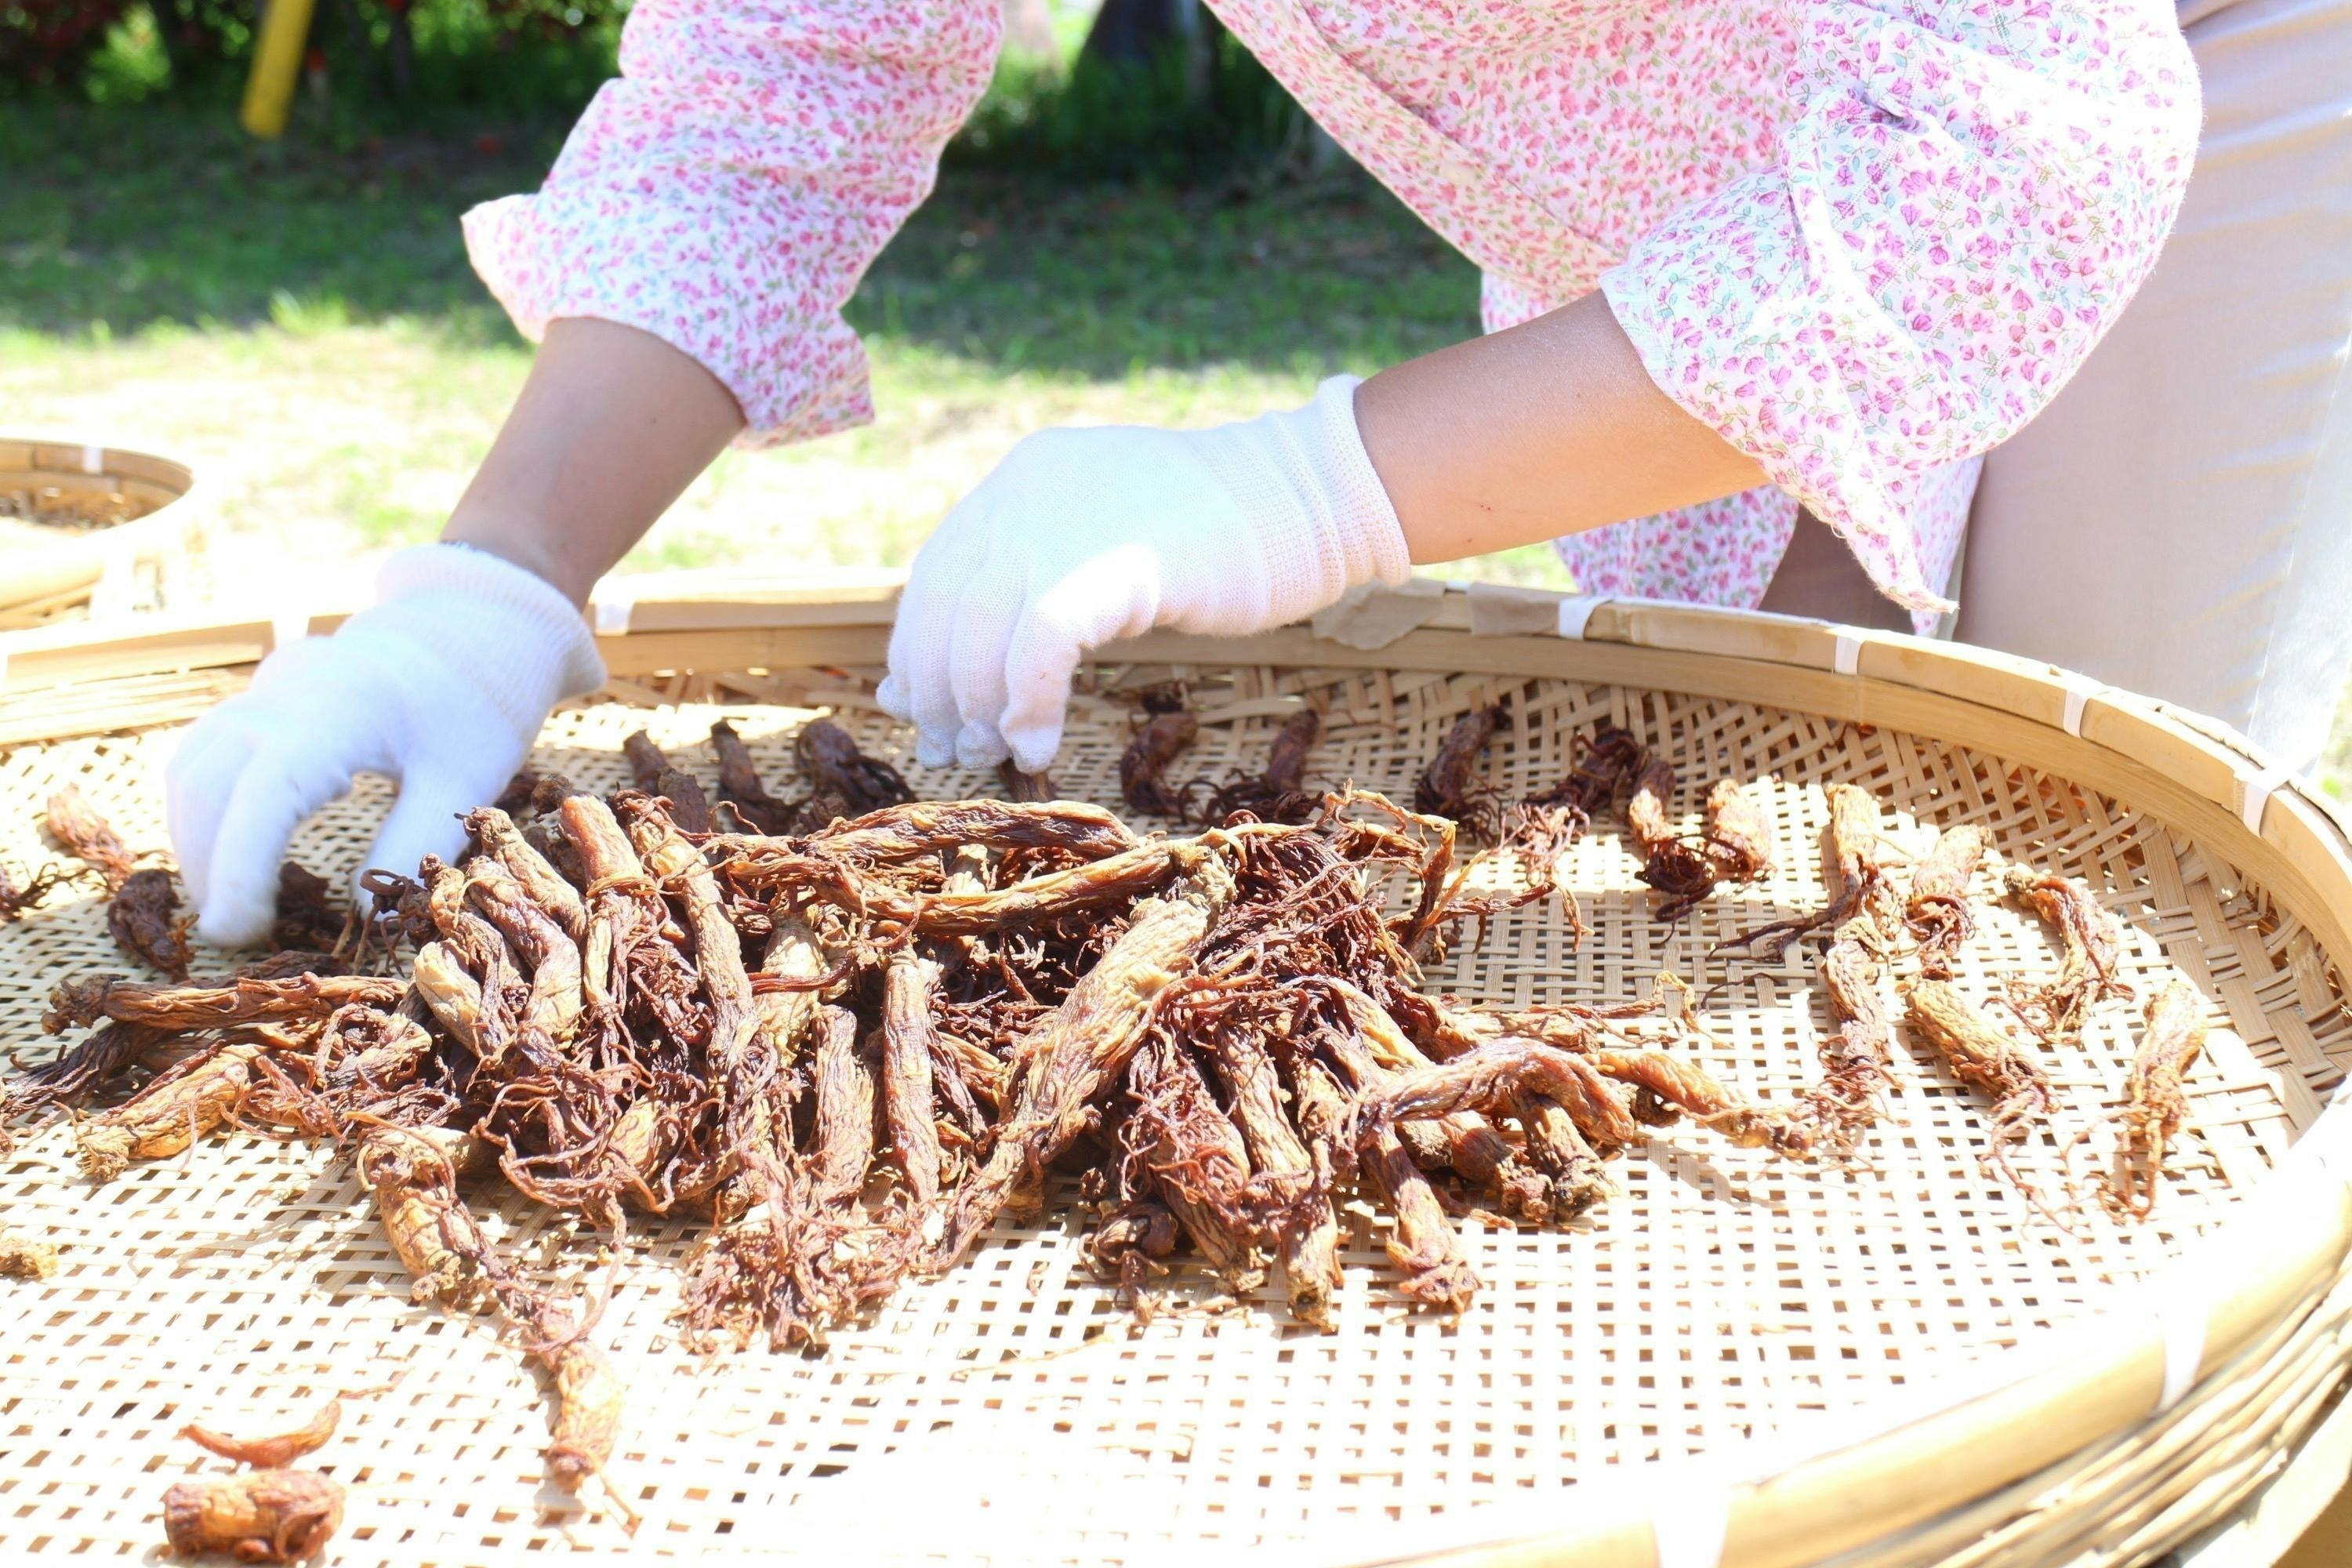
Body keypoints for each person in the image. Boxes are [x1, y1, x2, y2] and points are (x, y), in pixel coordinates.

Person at [165, 0, 2352, 947]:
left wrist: (1304, 490)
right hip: (1691, 193)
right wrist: (498, 574)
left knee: (2076, 874)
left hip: (2150, 75)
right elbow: (783, 74)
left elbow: (2010, 148)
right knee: (1762, 829)